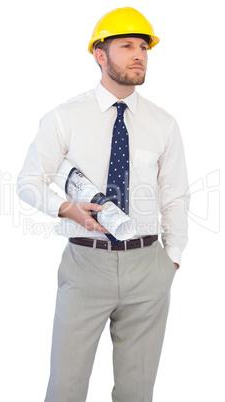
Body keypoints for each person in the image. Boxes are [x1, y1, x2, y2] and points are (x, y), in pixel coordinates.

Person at [17, 6, 189, 402]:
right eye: (126, 45)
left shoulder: (163, 124)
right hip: (85, 264)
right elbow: (28, 181)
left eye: (144, 46)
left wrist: (172, 259)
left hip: (148, 266)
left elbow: (175, 194)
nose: (138, 54)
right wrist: (66, 208)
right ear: (100, 54)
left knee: (137, 392)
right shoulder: (65, 117)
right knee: (66, 390)